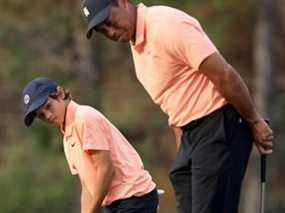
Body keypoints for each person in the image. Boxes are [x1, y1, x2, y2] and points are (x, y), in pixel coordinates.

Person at [79, 0, 274, 213]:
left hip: (218, 124)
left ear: (123, 3)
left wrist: (253, 120)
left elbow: (224, 74)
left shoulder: (166, 25)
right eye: (102, 30)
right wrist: (183, 146)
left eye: (109, 21)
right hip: (192, 136)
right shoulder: (138, 46)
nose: (110, 31)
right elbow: (173, 102)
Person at [22, 77, 158, 213]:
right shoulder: (67, 136)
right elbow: (87, 186)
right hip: (115, 203)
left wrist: (93, 210)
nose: (48, 116)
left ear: (60, 94)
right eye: (41, 115)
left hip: (134, 198)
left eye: (48, 106)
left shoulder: (84, 118)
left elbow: (106, 170)